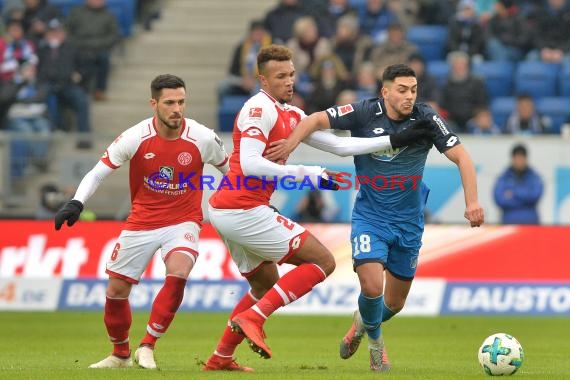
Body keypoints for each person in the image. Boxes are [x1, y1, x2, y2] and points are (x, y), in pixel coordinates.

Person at [202, 45, 433, 372]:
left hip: (233, 211)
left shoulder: (292, 114)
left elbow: (340, 145)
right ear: (263, 81)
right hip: (242, 208)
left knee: (263, 285)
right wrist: (309, 175)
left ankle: (221, 357)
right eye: (280, 76)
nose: (289, 81)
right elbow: (252, 165)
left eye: (292, 74)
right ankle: (253, 317)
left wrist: (394, 140)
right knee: (322, 262)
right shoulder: (258, 109)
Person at [265, 63, 485, 372]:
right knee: (371, 286)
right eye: (402, 90)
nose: (409, 96)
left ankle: (361, 323)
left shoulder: (426, 118)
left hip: (409, 222)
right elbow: (315, 119)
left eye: (413, 90)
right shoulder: (365, 112)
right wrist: (291, 143)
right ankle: (376, 345)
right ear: (385, 92)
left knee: (394, 304)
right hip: (370, 216)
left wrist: (472, 201)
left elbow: (462, 156)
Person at [54, 74, 229, 370]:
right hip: (142, 221)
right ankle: (120, 353)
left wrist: (249, 206)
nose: (177, 109)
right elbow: (98, 172)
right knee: (116, 292)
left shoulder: (202, 137)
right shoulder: (135, 136)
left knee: (179, 272)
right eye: (170, 103)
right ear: (154, 104)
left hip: (184, 220)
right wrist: (77, 202)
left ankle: (147, 345)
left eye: (182, 102)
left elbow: (231, 173)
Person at [493, 143, 543, 224]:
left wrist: (513, 192)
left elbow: (534, 196)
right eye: (517, 157)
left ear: (526, 158)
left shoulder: (534, 177)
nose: (519, 161)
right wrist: (525, 195)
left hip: (531, 225)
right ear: (512, 158)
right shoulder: (503, 177)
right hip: (508, 225)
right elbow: (499, 200)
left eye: (522, 157)